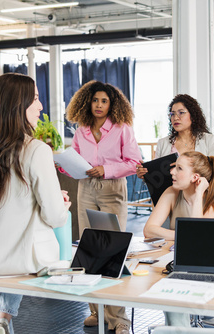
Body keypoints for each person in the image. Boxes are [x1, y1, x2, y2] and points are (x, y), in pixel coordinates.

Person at [0, 73, 71, 334]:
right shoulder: (37, 150)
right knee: (31, 229)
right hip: (21, 261)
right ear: (18, 105)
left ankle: (0, 324)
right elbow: (54, 217)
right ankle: (3, 321)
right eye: (36, 99)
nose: (40, 106)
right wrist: (60, 203)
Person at [64, 80, 141, 332]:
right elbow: (73, 160)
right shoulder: (81, 129)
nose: (99, 105)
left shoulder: (122, 128)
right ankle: (97, 312)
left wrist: (105, 169)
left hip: (112, 189)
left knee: (112, 251)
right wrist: (61, 164)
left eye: (104, 101)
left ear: (112, 104)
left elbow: (134, 163)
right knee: (89, 247)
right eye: (95, 100)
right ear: (88, 102)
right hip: (85, 187)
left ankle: (119, 319)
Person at [143, 151, 214, 327]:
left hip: (208, 266)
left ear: (195, 177)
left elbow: (198, 236)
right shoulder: (171, 192)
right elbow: (149, 230)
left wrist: (198, 196)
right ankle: (180, 329)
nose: (172, 172)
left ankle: (199, 322)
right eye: (174, 167)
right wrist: (183, 235)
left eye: (179, 168)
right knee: (166, 284)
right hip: (177, 262)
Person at [136, 94, 214, 179]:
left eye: (181, 113)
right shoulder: (162, 143)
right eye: (172, 114)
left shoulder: (209, 140)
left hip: (201, 193)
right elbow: (158, 178)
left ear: (193, 116)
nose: (175, 118)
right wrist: (146, 175)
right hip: (171, 193)